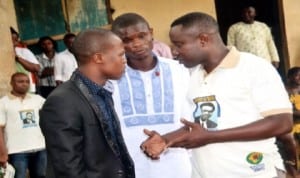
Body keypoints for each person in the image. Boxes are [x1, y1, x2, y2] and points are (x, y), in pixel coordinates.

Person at [140, 12, 293, 178]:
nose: (174, 52)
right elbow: (203, 125)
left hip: (255, 172)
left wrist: (211, 137)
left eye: (179, 44)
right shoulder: (191, 75)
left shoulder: (254, 68)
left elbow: (282, 123)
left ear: (203, 40)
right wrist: (166, 140)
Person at [39, 28, 135, 178]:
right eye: (121, 54)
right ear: (98, 58)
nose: (125, 60)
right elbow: (67, 167)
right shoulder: (61, 102)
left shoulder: (102, 92)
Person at [111, 13, 191, 178]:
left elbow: (191, 118)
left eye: (142, 36)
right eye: (127, 40)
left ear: (151, 33)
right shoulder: (111, 78)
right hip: (130, 165)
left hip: (177, 162)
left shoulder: (179, 70)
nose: (137, 44)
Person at [0, 72, 46, 178]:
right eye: (20, 81)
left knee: (41, 175)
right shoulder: (3, 103)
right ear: (11, 83)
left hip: (40, 148)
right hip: (17, 151)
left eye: (27, 82)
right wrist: (2, 153)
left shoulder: (37, 99)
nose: (24, 84)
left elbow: (54, 111)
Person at [10, 27, 40, 93]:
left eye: (15, 39)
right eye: (11, 39)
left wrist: (18, 58)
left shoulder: (24, 51)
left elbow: (36, 68)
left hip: (27, 89)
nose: (14, 42)